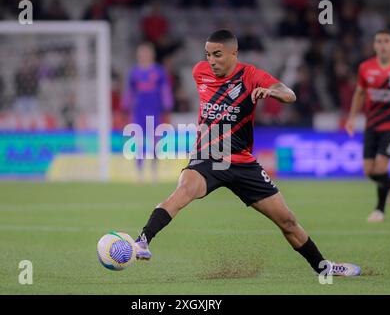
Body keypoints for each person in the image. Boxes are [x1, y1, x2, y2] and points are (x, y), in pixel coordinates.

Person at [134, 29, 361, 277]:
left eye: (217, 54)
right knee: (183, 190)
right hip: (209, 156)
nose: (211, 60)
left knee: (287, 221)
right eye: (208, 54)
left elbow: (290, 94)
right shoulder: (200, 72)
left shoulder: (251, 75)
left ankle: (323, 268)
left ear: (234, 53)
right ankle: (143, 240)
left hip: (243, 163)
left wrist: (272, 92)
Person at [345, 29, 390, 223]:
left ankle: (379, 210)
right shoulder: (365, 67)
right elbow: (360, 93)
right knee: (369, 171)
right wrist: (352, 118)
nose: (383, 45)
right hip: (372, 125)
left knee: (380, 167)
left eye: (387, 41)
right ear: (374, 45)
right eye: (379, 41)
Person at [122, 42, 174, 183]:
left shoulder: (159, 71)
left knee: (155, 142)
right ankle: (139, 172)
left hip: (154, 111)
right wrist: (125, 105)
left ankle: (154, 171)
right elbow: (129, 91)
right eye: (142, 53)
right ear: (138, 55)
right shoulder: (134, 72)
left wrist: (168, 103)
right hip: (138, 111)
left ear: (152, 54)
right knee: (138, 142)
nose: (144, 55)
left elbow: (165, 89)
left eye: (146, 53)